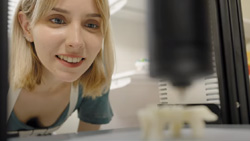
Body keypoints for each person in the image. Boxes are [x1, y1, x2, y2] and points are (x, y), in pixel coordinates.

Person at [7, 0, 114, 137]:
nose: (76, 42)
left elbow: (88, 138)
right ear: (27, 27)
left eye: (91, 24)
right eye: (57, 20)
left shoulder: (95, 77)